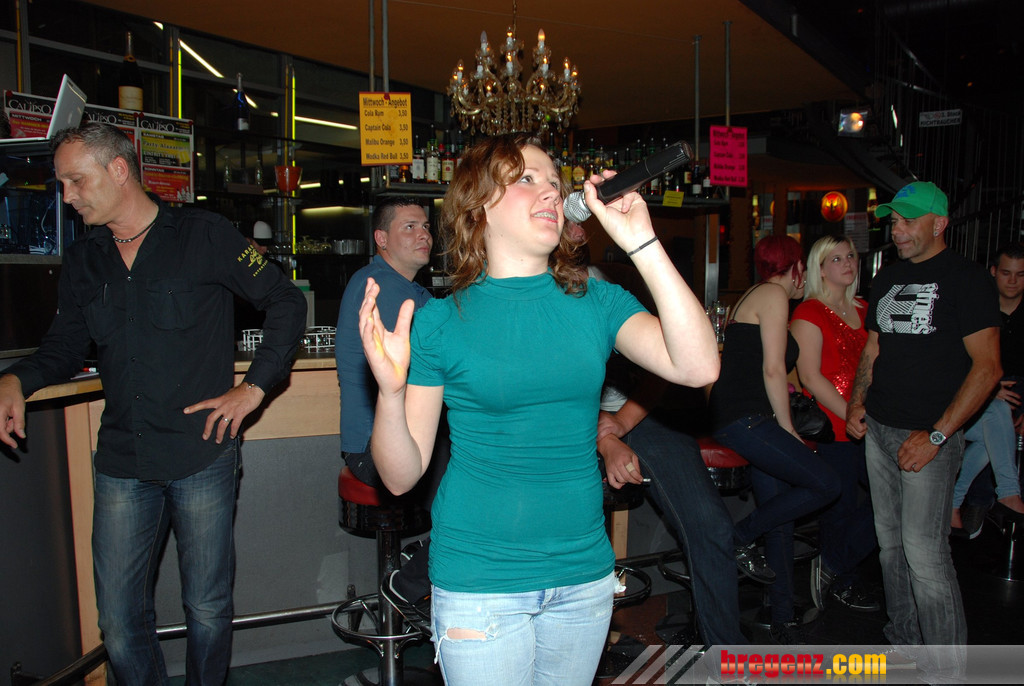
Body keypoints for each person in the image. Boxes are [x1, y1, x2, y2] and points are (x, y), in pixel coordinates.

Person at [357, 133, 719, 685]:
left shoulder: (596, 302)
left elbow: (699, 366)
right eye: (527, 179)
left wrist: (641, 240)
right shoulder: (440, 321)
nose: (551, 191)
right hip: (480, 579)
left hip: (583, 576)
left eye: (554, 181)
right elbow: (402, 477)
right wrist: (389, 391)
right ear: (479, 207)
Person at [0, 122, 307, 685]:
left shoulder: (204, 234)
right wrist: (15, 379)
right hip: (123, 459)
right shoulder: (85, 257)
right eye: (62, 184)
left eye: (75, 180)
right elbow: (64, 347)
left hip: (202, 451)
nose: (67, 197)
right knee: (118, 623)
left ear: (118, 170)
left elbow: (286, 300)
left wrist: (254, 387)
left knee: (207, 609)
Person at [846, 181, 1001, 672]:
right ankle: (904, 643)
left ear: (940, 224)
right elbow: (874, 348)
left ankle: (947, 669)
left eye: (909, 221)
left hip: (928, 436)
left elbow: (988, 368)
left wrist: (936, 436)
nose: (898, 230)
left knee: (925, 555)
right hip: (880, 429)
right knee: (891, 547)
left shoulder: (967, 279)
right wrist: (857, 402)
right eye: (894, 221)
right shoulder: (888, 277)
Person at [708, 234, 841, 644]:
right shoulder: (773, 294)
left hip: (746, 417)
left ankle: (783, 619)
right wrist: (788, 428)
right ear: (795, 266)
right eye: (804, 267)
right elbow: (772, 370)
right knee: (826, 483)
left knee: (780, 519)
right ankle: (737, 537)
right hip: (746, 419)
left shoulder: (758, 294)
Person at [335, 196, 439, 627]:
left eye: (426, 226)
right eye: (409, 226)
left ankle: (428, 566)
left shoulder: (410, 290)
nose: (423, 234)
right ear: (381, 238)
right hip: (374, 451)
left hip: (395, 441)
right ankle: (412, 581)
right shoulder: (379, 288)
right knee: (486, 481)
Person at [598, 361, 747, 646]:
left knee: (711, 526)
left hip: (642, 414)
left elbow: (659, 373)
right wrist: (605, 440)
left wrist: (622, 423)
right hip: (565, 420)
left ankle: (726, 653)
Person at [790, 235, 879, 612]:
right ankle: (843, 579)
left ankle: (833, 564)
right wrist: (850, 413)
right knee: (840, 508)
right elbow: (810, 377)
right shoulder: (809, 312)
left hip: (871, 419)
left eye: (851, 256)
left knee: (891, 501)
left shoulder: (866, 308)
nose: (848, 263)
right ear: (821, 268)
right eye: (837, 258)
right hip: (831, 422)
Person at [950, 242, 1024, 536]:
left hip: (1017, 392)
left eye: (1020, 274)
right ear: (993, 272)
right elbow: (958, 362)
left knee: (996, 425)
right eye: (1006, 273)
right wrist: (989, 387)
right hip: (979, 387)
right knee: (998, 416)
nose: (1013, 281)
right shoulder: (977, 306)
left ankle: (957, 502)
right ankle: (1001, 495)